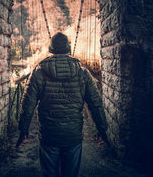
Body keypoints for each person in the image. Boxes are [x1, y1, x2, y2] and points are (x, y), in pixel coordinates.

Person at [16, 32, 108, 177]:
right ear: (68, 49)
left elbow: (28, 104)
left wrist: (23, 131)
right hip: (73, 135)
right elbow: (95, 104)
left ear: (51, 49)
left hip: (49, 135)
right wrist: (102, 130)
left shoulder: (38, 72)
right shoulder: (82, 73)